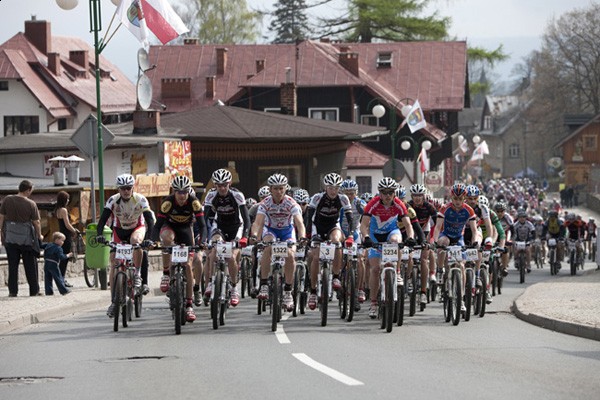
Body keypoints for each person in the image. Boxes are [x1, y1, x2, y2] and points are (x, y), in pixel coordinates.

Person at [96, 174, 155, 318]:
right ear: (119, 189)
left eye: (128, 188)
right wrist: (99, 234)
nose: (126, 191)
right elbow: (103, 219)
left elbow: (149, 220)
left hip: (137, 228)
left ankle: (137, 274)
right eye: (123, 189)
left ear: (132, 188)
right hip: (119, 231)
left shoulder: (140, 199)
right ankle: (113, 302)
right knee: (114, 261)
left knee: (136, 242)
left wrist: (150, 239)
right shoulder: (113, 200)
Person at [152, 175, 206, 322]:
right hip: (169, 227)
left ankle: (189, 305)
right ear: (174, 192)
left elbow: (202, 225)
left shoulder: (194, 202)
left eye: (185, 192)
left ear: (189, 191)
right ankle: (166, 273)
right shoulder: (167, 203)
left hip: (185, 230)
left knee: (188, 266)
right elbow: (157, 226)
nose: (182, 195)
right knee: (166, 240)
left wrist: (202, 241)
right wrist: (153, 240)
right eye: (179, 192)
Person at [250, 173, 306, 312]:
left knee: (290, 255)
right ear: (270, 189)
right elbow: (258, 222)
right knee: (267, 247)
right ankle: (263, 284)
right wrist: (254, 235)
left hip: (287, 231)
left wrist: (303, 237)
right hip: (271, 230)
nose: (279, 191)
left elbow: (299, 223)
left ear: (285, 188)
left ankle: (288, 291)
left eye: (281, 188)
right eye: (275, 188)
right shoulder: (265, 203)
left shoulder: (291, 203)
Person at [360, 177, 415, 318]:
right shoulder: (373, 204)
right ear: (379, 193)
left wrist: (410, 238)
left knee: (396, 240)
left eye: (390, 192)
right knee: (375, 269)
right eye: (384, 192)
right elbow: (364, 225)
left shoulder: (399, 204)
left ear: (394, 193)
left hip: (391, 232)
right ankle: (373, 303)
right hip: (374, 236)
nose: (387, 195)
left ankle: (396, 272)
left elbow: (408, 225)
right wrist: (366, 238)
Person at [203, 169, 251, 307]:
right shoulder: (211, 195)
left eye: (225, 185)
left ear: (229, 183)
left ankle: (234, 287)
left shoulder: (237, 195)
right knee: (213, 251)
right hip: (220, 227)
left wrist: (244, 237)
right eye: (219, 185)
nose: (222, 188)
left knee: (230, 257)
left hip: (236, 227)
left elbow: (246, 219)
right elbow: (205, 219)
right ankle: (211, 282)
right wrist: (205, 239)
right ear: (215, 185)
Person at [306, 173, 354, 310]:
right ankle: (313, 291)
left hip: (333, 226)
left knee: (337, 242)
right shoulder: (317, 198)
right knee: (316, 257)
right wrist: (308, 234)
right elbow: (309, 217)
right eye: (331, 188)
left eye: (336, 188)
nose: (333, 191)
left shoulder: (343, 199)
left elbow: (350, 219)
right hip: (318, 227)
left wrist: (350, 235)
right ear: (325, 187)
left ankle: (336, 276)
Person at [432, 183, 478, 313]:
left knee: (462, 266)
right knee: (443, 242)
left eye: (460, 199)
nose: (457, 202)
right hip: (446, 235)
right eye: (455, 199)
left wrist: (474, 243)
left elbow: (474, 230)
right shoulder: (444, 208)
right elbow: (437, 227)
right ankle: (440, 271)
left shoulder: (469, 210)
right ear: (451, 198)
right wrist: (435, 242)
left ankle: (461, 299)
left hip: (459, 238)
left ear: (464, 198)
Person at [0, 179, 43, 297]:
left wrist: (1, 232)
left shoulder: (7, 200)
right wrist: (39, 235)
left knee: (12, 266)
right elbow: (36, 222)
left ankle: (13, 291)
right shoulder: (31, 204)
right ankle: (34, 290)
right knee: (30, 265)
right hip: (26, 240)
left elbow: (1, 217)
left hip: (10, 238)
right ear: (28, 190)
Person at [54, 191, 79, 288]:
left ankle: (60, 278)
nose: (68, 200)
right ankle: (62, 279)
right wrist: (74, 231)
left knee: (63, 258)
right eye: (67, 198)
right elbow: (67, 224)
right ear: (64, 200)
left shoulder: (57, 210)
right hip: (66, 236)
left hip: (61, 234)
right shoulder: (63, 210)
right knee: (65, 258)